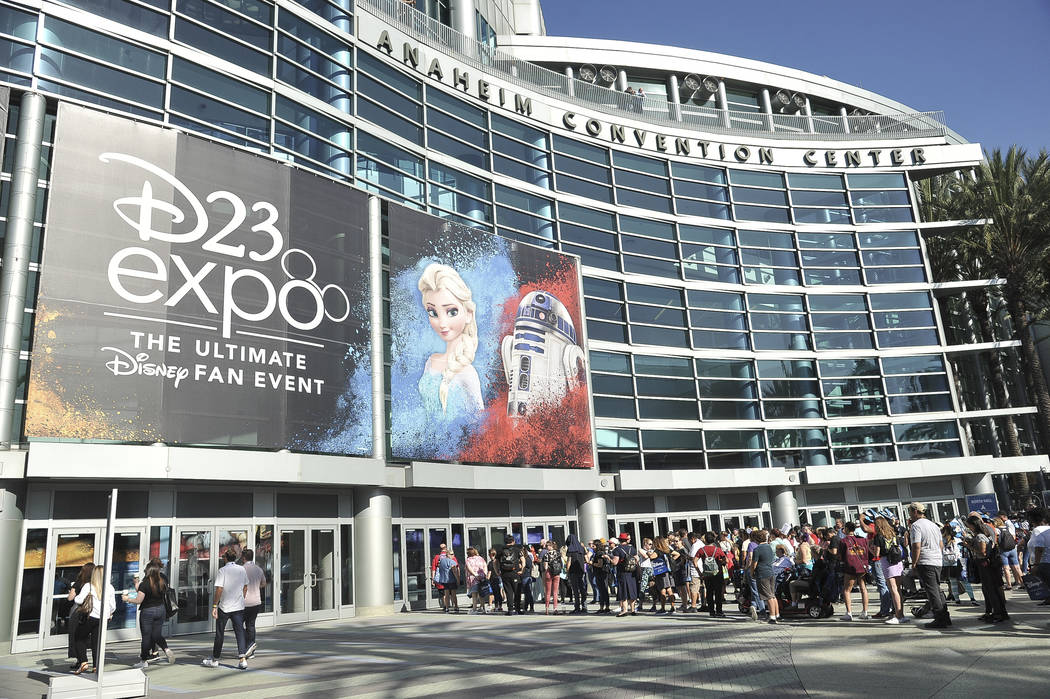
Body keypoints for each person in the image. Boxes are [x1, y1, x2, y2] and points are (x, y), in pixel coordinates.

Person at [417, 263, 483, 416]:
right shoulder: (431, 361)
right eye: (433, 313)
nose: (442, 323)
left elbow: (481, 425)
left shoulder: (467, 372)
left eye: (452, 312)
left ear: (469, 314)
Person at [122, 557, 175, 667]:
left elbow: (139, 600)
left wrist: (127, 599)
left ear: (148, 571)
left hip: (147, 611)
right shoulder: (163, 579)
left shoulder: (145, 583)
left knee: (146, 636)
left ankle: (144, 660)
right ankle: (166, 649)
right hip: (161, 609)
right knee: (156, 634)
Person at [202, 549, 249, 669]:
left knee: (220, 633)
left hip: (224, 606)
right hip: (238, 606)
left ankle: (215, 659)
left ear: (225, 558)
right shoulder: (241, 569)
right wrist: (241, 598)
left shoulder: (222, 571)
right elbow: (245, 586)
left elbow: (219, 589)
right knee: (239, 632)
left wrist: (214, 605)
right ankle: (242, 659)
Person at [908, 502, 950, 629]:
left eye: (910, 511)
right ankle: (944, 616)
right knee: (937, 589)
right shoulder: (934, 525)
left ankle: (939, 618)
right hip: (937, 560)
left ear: (915, 511)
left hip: (925, 560)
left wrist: (914, 562)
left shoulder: (916, 526)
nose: (910, 514)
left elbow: (916, 545)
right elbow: (941, 544)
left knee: (932, 591)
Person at [70, 565, 116, 674]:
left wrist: (76, 595)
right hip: (103, 619)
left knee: (79, 638)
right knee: (96, 643)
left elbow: (78, 601)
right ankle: (96, 666)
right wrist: (109, 613)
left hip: (90, 617)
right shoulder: (110, 587)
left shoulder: (88, 586)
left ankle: (83, 662)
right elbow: (113, 606)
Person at [965, 514, 1007, 622]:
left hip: (985, 564)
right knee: (990, 589)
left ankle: (998, 613)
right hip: (989, 565)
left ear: (973, 525)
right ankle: (997, 612)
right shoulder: (986, 534)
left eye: (969, 525)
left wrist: (969, 546)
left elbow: (983, 552)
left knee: (990, 589)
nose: (968, 528)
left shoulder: (980, 536)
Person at [872, 517, 907, 624]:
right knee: (898, 590)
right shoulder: (893, 534)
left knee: (893, 590)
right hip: (898, 562)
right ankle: (901, 614)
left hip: (887, 562)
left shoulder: (878, 537)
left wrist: (870, 549)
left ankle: (898, 615)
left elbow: (877, 554)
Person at [839, 523, 870, 621]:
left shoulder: (843, 541)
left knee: (847, 590)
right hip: (862, 566)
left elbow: (841, 555)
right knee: (863, 588)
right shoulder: (863, 539)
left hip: (850, 566)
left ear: (847, 529)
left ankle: (849, 613)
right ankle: (865, 612)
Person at [67, 563, 94, 670]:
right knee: (90, 636)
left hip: (78, 610)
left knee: (76, 635)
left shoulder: (79, 582)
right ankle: (95, 662)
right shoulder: (95, 583)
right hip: (92, 611)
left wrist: (71, 592)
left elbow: (70, 598)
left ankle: (81, 660)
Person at [941, 523, 977, 606]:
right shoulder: (958, 540)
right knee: (965, 581)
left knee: (953, 582)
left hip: (947, 564)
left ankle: (957, 599)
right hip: (959, 562)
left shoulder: (942, 540)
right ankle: (972, 598)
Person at [241, 549, 265, 658]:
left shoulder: (241, 569)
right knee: (251, 625)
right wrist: (255, 587)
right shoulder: (258, 569)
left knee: (238, 625)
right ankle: (251, 650)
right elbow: (263, 583)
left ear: (244, 558)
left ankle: (247, 646)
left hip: (244, 602)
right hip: (256, 602)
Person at [750, 530, 778, 624]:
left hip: (762, 574)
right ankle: (776, 614)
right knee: (773, 595)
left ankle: (772, 617)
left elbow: (754, 563)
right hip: (771, 572)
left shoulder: (757, 549)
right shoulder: (769, 547)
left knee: (768, 596)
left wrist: (751, 573)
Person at [698, 532, 727, 617]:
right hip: (718, 573)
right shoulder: (717, 549)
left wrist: (700, 573)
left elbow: (694, 561)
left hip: (707, 574)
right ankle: (719, 611)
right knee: (718, 592)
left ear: (705, 540)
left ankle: (711, 611)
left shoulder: (702, 550)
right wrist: (721, 562)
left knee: (709, 592)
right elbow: (726, 560)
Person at [611, 532, 639, 616]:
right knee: (632, 590)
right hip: (632, 572)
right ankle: (633, 610)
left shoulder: (617, 549)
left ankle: (625, 610)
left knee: (623, 591)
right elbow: (637, 559)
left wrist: (609, 558)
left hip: (622, 572)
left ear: (619, 540)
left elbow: (615, 562)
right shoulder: (632, 548)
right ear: (627, 540)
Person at [995, 515, 1024, 590]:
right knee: (1017, 567)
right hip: (1012, 548)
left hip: (1003, 550)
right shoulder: (1008, 528)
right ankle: (1023, 583)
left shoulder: (997, 530)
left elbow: (997, 540)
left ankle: (1009, 585)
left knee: (1006, 568)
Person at [498, 535, 525, 615]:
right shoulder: (517, 549)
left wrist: (497, 571)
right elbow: (523, 560)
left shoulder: (500, 550)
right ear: (513, 541)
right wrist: (522, 570)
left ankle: (510, 609)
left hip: (505, 573)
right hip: (515, 573)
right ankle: (518, 608)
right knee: (517, 591)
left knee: (508, 592)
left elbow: (496, 561)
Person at [649, 537, 676, 613]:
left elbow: (651, 556)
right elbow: (677, 554)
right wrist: (672, 561)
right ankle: (672, 607)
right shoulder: (667, 550)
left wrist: (648, 553)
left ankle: (663, 608)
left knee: (663, 590)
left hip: (661, 572)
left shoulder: (658, 551)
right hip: (669, 571)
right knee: (669, 589)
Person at [565, 534, 589, 614]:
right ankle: (584, 607)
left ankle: (577, 607)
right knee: (582, 589)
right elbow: (587, 559)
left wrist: (567, 571)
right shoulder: (582, 548)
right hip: (581, 570)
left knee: (575, 590)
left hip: (573, 571)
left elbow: (569, 562)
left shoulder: (570, 549)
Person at [540, 540, 563, 615]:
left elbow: (545, 566)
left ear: (550, 546)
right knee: (555, 592)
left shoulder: (546, 555)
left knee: (548, 592)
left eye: (547, 546)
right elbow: (561, 564)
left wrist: (546, 570)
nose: (547, 547)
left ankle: (547, 609)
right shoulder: (558, 554)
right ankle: (555, 608)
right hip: (557, 573)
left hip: (549, 573)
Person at [436, 548, 461, 613]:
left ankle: (447, 607)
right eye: (452, 554)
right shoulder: (452, 562)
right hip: (451, 580)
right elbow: (455, 571)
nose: (453, 555)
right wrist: (458, 580)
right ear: (448, 554)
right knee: (453, 594)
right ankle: (456, 606)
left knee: (446, 594)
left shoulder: (442, 561)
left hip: (444, 580)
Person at [465, 547, 489, 614]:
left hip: (473, 579)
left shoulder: (468, 560)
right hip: (482, 578)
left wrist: (475, 575)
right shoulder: (480, 558)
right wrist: (484, 574)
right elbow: (485, 566)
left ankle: (474, 609)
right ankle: (482, 608)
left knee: (474, 594)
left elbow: (469, 569)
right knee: (481, 593)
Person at [590, 539, 612, 613]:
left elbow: (600, 564)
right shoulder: (599, 552)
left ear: (597, 546)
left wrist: (591, 563)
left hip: (601, 573)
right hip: (602, 573)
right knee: (603, 590)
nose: (592, 546)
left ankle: (603, 607)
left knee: (602, 590)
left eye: (593, 545)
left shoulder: (599, 553)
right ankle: (605, 607)